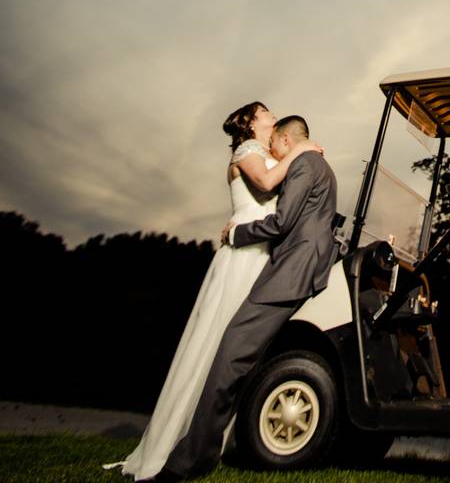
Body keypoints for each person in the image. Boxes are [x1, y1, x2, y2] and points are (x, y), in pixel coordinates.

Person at [106, 102, 323, 481]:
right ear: (253, 123)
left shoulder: (269, 152)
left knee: (236, 349)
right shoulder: (248, 151)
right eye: (265, 113)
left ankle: (213, 438)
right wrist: (303, 150)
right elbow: (269, 185)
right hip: (242, 257)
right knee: (219, 342)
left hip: (261, 258)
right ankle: (176, 442)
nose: (271, 115)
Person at [157, 114, 338, 482]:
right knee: (243, 354)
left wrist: (237, 234)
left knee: (230, 353)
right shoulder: (318, 164)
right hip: (300, 268)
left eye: (275, 146)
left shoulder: (305, 163)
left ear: (286, 140)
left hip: (291, 272)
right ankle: (213, 447)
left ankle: (190, 460)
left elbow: (282, 222)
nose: (272, 152)